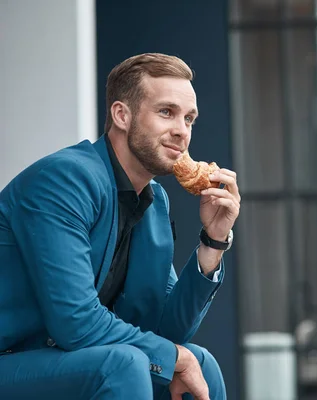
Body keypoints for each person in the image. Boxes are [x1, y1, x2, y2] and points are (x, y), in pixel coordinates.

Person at [0, 53, 240, 399]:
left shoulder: (155, 202)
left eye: (189, 119)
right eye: (166, 112)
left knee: (200, 361)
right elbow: (76, 323)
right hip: (12, 358)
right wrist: (174, 358)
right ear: (121, 115)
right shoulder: (64, 179)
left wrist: (213, 242)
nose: (182, 131)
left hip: (61, 361)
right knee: (122, 363)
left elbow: (167, 328)